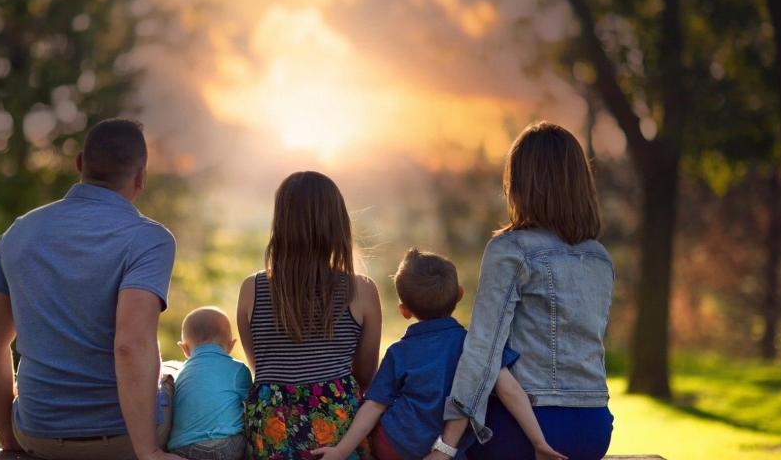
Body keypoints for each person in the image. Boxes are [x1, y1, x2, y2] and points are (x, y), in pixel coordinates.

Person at [0, 118, 185, 460]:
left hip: (36, 435)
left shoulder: (18, 233)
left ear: (80, 163)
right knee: (181, 374)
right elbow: (130, 346)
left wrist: (11, 443)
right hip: (123, 440)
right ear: (141, 176)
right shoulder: (149, 238)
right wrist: (148, 452)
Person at [425, 121, 615, 460]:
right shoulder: (599, 257)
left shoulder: (511, 249)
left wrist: (445, 445)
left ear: (521, 184)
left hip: (533, 428)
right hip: (596, 426)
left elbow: (483, 350)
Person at [311, 248, 566, 460]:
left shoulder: (399, 352)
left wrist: (342, 450)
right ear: (459, 295)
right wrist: (539, 442)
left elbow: (375, 405)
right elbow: (510, 391)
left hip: (394, 445)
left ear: (404, 310)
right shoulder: (476, 347)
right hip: (447, 449)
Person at [236, 171, 382, 460]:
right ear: (338, 224)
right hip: (338, 429)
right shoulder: (361, 290)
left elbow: (262, 370)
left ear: (280, 224)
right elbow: (365, 377)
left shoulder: (251, 289)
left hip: (272, 428)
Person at [168, 307, 252, 460]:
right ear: (230, 345)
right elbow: (252, 405)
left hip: (184, 448)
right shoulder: (238, 370)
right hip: (226, 446)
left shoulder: (180, 373)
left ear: (184, 348)